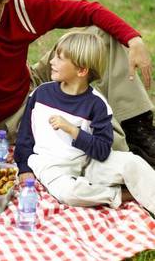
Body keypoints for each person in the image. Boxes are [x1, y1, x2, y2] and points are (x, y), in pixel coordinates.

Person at [0, 0, 155, 166]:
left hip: (30, 79)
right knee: (74, 127)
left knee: (103, 35)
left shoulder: (24, 7)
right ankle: (121, 152)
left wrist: (133, 39)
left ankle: (139, 129)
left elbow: (88, 10)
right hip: (9, 113)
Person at [14, 32, 155, 213]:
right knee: (69, 193)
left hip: (89, 163)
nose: (51, 61)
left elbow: (103, 151)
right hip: (51, 166)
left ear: (81, 71)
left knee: (132, 162)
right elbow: (25, 137)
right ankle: (120, 194)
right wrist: (24, 168)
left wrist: (74, 131)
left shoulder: (97, 104)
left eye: (59, 58)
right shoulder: (41, 95)